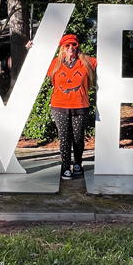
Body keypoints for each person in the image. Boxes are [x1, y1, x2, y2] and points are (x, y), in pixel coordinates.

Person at [45, 34, 97, 180]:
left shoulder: (86, 61)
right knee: (64, 137)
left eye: (73, 45)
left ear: (77, 46)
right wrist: (30, 47)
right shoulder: (55, 63)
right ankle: (65, 165)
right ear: (62, 48)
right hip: (59, 105)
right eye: (67, 45)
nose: (71, 48)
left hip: (80, 105)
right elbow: (37, 63)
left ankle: (78, 163)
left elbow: (106, 63)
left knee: (78, 137)